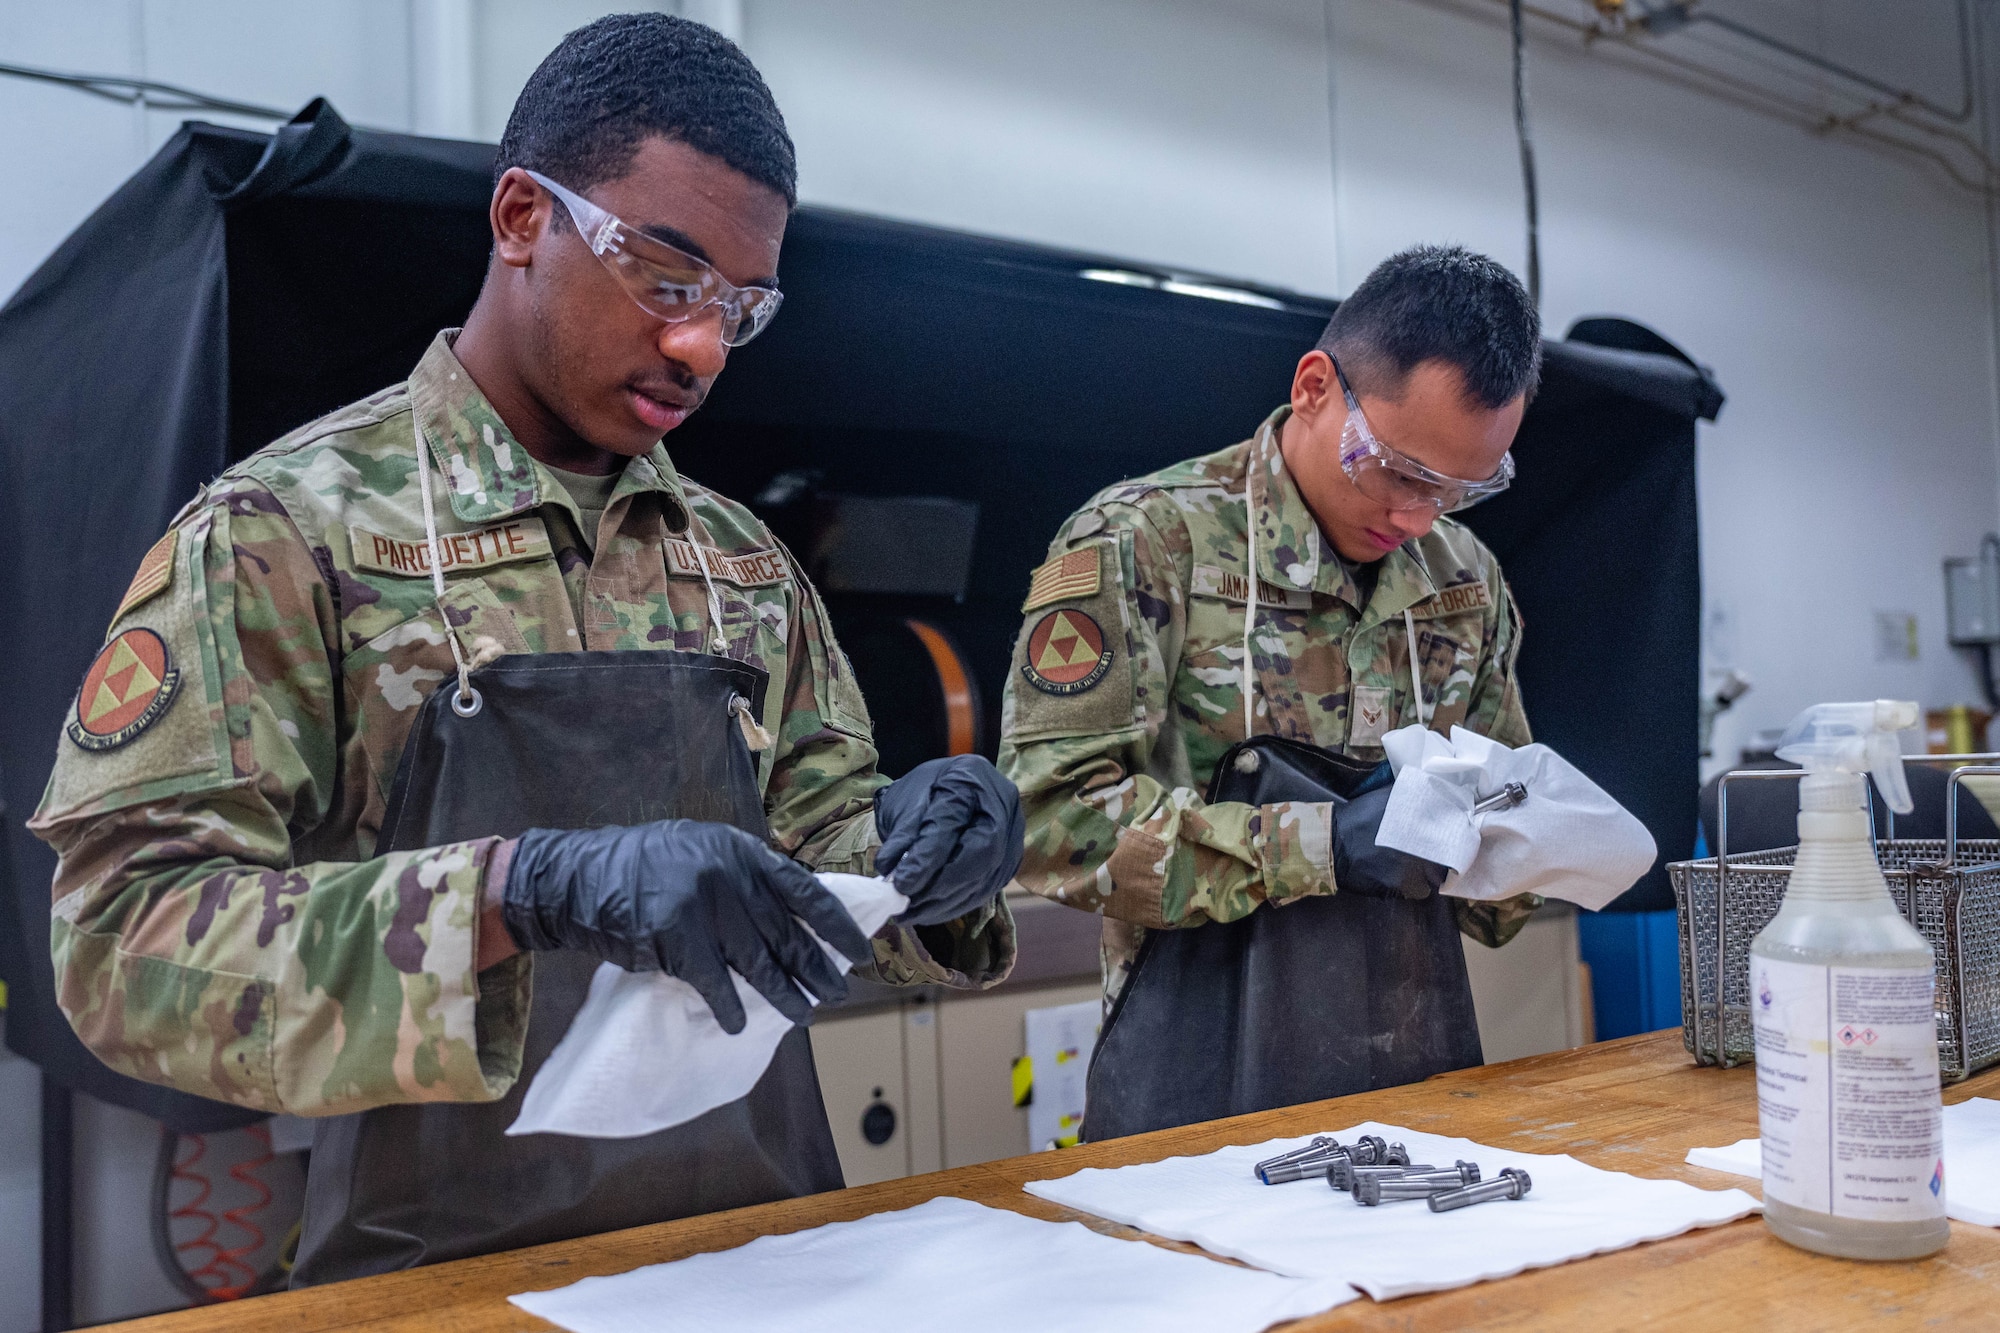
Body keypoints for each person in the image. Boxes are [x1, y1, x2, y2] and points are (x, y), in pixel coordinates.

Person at [30, 14, 1020, 1285]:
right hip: (446, 1278)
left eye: (740, 307)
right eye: (667, 279)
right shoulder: (288, 535)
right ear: (518, 219)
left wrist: (924, 856)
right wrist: (516, 894)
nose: (701, 346)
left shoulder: (739, 566)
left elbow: (817, 871)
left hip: (759, 1257)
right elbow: (120, 945)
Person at [999, 245, 1540, 1139]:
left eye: (1459, 490)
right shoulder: (1149, 543)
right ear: (1316, 386)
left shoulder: (1462, 580)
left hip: (1413, 1086)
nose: (1417, 517)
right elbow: (1051, 823)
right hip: (1197, 1086)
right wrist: (1324, 845)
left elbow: (1500, 897)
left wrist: (1532, 844)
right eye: (1401, 471)